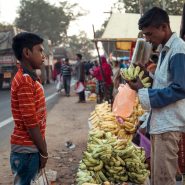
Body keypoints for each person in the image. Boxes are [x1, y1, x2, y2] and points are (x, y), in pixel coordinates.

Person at [127, 7, 185, 185]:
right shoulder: (165, 50)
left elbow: (180, 88)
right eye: (145, 35)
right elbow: (163, 84)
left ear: (163, 27)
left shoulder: (178, 49)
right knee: (159, 177)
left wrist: (141, 91)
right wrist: (146, 78)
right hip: (161, 124)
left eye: (150, 34)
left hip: (169, 125)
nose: (147, 39)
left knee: (163, 179)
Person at [10, 32, 48, 184]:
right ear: (27, 53)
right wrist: (44, 151)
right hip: (27, 151)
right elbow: (31, 122)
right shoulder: (25, 81)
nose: (43, 55)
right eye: (39, 50)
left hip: (30, 149)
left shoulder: (29, 77)